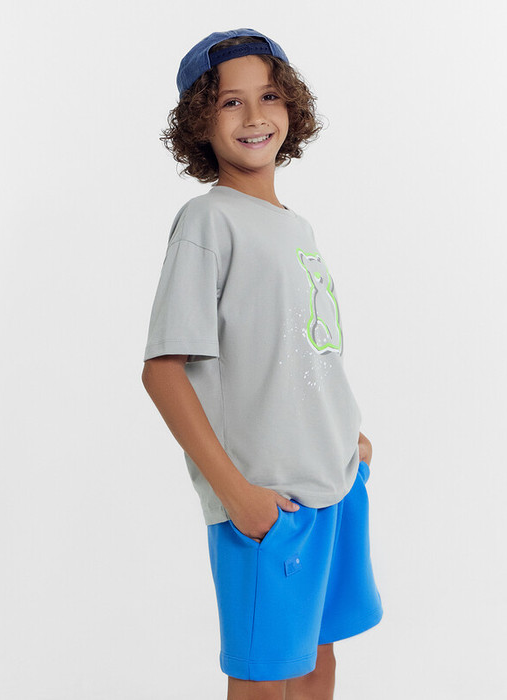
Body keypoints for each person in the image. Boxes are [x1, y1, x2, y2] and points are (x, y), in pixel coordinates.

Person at [141, 28, 383, 700]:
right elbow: (162, 370)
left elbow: (304, 349)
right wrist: (235, 493)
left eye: (269, 96)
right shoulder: (207, 222)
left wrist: (348, 436)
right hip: (268, 500)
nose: (254, 115)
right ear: (200, 121)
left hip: (333, 485)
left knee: (316, 657)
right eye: (230, 102)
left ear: (291, 107)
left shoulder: (296, 228)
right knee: (264, 676)